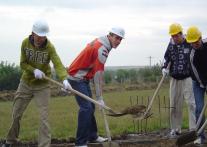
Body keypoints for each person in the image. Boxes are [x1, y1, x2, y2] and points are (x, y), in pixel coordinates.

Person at [2, 19, 72, 147]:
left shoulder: (49, 47)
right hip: (26, 83)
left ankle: (44, 145)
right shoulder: (25, 43)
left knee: (43, 118)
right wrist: (33, 70)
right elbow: (22, 64)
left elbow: (58, 64)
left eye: (43, 36)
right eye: (38, 36)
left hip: (42, 85)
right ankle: (10, 141)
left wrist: (64, 79)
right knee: (16, 114)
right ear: (33, 33)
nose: (40, 39)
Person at [67, 27, 125, 147]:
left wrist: (97, 99)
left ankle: (92, 136)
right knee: (86, 108)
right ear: (110, 36)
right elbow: (98, 75)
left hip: (83, 78)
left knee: (91, 107)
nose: (118, 41)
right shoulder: (102, 49)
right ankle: (80, 143)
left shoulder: (102, 42)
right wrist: (99, 97)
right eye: (117, 38)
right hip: (77, 78)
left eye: (120, 39)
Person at [162, 23, 196, 138]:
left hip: (188, 78)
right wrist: (164, 68)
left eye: (176, 36)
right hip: (174, 78)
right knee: (174, 105)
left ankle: (193, 129)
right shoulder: (171, 44)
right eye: (172, 36)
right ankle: (175, 128)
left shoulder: (189, 43)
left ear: (181, 34)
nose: (174, 38)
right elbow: (166, 57)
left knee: (191, 103)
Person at [186, 26, 207, 144]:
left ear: (200, 38)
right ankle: (200, 136)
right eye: (192, 42)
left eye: (196, 41)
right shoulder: (192, 55)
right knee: (199, 108)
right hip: (198, 82)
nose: (195, 44)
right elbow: (197, 75)